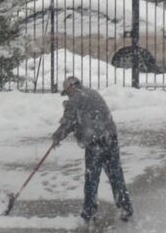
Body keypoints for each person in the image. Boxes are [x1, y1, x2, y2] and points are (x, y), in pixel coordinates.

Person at [52, 76, 133, 222]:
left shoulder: (75, 99)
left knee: (92, 177)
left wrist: (58, 136)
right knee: (115, 174)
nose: (68, 94)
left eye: (67, 91)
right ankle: (125, 207)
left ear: (71, 87)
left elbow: (68, 122)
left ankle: (89, 211)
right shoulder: (93, 93)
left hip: (95, 141)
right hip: (110, 137)